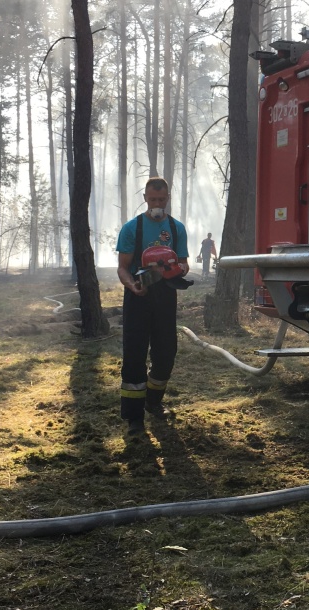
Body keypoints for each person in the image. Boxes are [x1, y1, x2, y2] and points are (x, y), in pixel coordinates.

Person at [115, 177, 189, 437]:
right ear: (145, 198)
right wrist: (132, 285)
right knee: (134, 355)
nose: (157, 204)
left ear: (167, 198)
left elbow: (183, 263)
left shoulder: (176, 228)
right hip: (138, 295)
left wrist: (174, 269)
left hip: (166, 296)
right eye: (153, 199)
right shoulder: (131, 229)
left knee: (166, 353)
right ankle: (134, 419)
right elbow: (123, 268)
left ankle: (153, 402)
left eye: (162, 199)